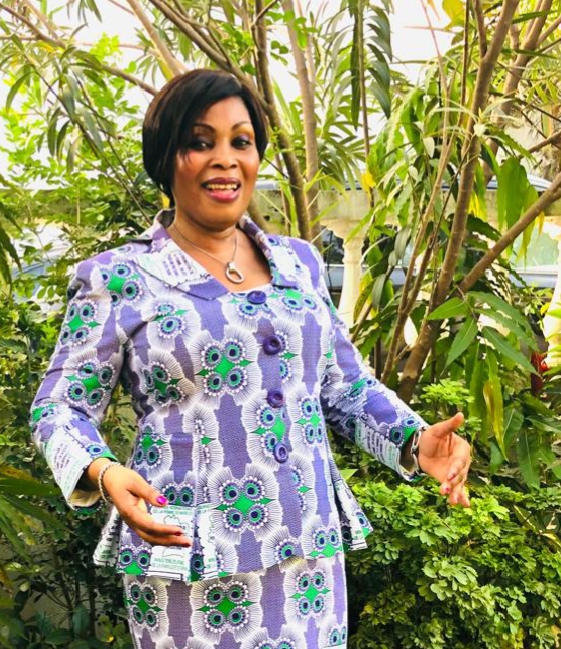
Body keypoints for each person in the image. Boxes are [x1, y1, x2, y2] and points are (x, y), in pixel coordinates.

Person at [30, 68, 471, 649]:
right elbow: (58, 409)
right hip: (189, 558)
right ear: (166, 159)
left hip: (307, 559)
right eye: (199, 141)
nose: (225, 158)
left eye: (240, 141)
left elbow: (342, 386)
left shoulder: (300, 263)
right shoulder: (118, 277)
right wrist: (103, 471)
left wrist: (414, 440)